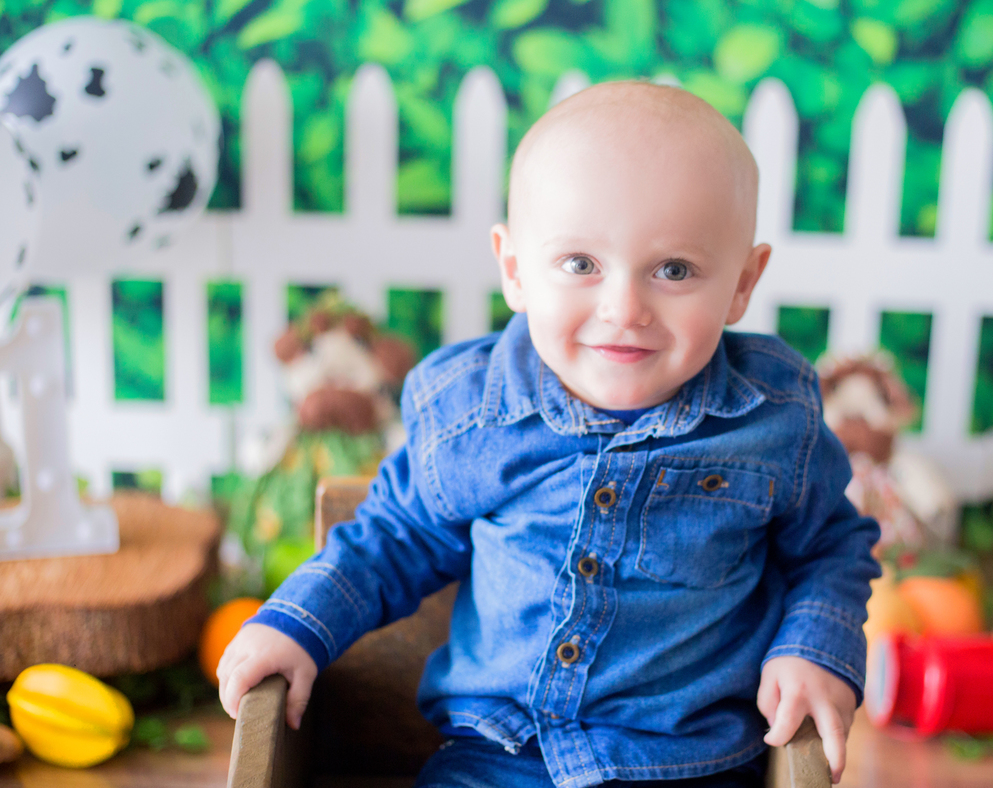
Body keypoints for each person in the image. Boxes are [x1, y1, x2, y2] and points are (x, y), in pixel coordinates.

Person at [217, 81, 881, 788]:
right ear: (514, 269)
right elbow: (390, 539)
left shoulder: (770, 418)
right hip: (500, 755)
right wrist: (295, 621)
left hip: (692, 759)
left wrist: (814, 649)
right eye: (580, 265)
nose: (624, 309)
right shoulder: (474, 414)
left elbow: (830, 548)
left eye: (675, 270)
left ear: (743, 283)